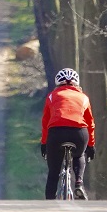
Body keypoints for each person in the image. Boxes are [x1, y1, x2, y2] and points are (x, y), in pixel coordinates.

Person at [40, 68, 94, 200]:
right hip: (79, 133)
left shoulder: (52, 96)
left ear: (57, 83)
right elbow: (90, 123)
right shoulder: (84, 98)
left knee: (53, 172)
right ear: (76, 83)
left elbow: (45, 122)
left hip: (56, 132)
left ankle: (49, 203)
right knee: (80, 154)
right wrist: (91, 146)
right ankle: (79, 183)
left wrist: (44, 143)